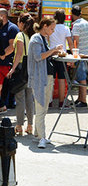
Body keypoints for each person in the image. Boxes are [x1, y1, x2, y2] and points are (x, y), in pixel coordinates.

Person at [28, 16, 65, 149]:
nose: (53, 31)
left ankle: (38, 135)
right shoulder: (37, 38)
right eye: (52, 28)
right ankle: (41, 138)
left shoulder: (41, 38)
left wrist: (53, 51)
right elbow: (39, 57)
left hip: (45, 76)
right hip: (40, 78)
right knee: (41, 108)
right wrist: (54, 50)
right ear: (45, 26)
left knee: (43, 107)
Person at [7, 13, 35, 135]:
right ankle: (30, 125)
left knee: (20, 98)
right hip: (31, 68)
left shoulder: (20, 35)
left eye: (18, 22)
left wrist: (12, 69)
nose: (17, 24)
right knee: (29, 98)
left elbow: (18, 54)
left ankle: (19, 125)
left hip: (20, 68)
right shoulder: (33, 36)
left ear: (22, 24)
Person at [0, 8, 19, 113]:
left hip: (6, 63)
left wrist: (2, 55)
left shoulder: (12, 28)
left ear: (3, 16)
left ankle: (1, 105)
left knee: (2, 86)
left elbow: (12, 46)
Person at [49, 9, 72, 108]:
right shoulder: (66, 28)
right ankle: (62, 102)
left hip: (51, 55)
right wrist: (74, 55)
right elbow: (70, 43)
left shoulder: (51, 27)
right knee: (62, 79)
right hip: (62, 56)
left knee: (51, 79)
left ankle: (49, 102)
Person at [70, 6, 88, 107]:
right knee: (83, 75)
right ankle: (80, 98)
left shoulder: (76, 26)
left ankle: (83, 101)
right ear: (80, 13)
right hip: (86, 53)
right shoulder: (86, 23)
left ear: (72, 14)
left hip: (80, 54)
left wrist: (74, 53)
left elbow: (76, 41)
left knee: (81, 77)